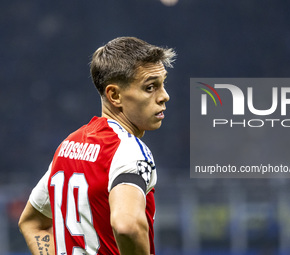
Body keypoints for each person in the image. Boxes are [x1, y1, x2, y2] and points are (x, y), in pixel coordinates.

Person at [18, 36, 176, 255]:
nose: (164, 96)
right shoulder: (130, 151)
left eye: (163, 84)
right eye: (150, 87)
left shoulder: (68, 146)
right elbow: (127, 226)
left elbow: (32, 223)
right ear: (115, 95)